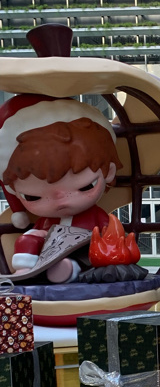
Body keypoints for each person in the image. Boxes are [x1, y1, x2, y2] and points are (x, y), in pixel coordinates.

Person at [0, 97, 120, 283]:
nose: (60, 199)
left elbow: (108, 235)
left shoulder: (94, 216)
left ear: (109, 172)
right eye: (33, 197)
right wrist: (35, 237)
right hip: (48, 254)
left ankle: (68, 270)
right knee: (27, 238)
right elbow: (37, 236)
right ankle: (25, 269)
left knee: (80, 258)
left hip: (85, 253)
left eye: (85, 186)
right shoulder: (47, 221)